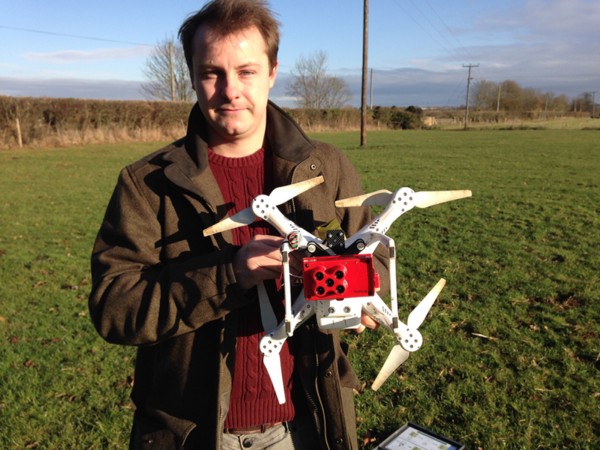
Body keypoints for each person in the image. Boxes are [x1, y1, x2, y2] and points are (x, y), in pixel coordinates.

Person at [89, 1, 387, 449]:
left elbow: (375, 252)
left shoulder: (326, 168)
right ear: (191, 74)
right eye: (212, 73)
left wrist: (365, 288)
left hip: (309, 424)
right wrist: (229, 273)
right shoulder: (148, 183)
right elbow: (115, 308)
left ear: (272, 72)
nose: (230, 91)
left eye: (246, 71)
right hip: (193, 433)